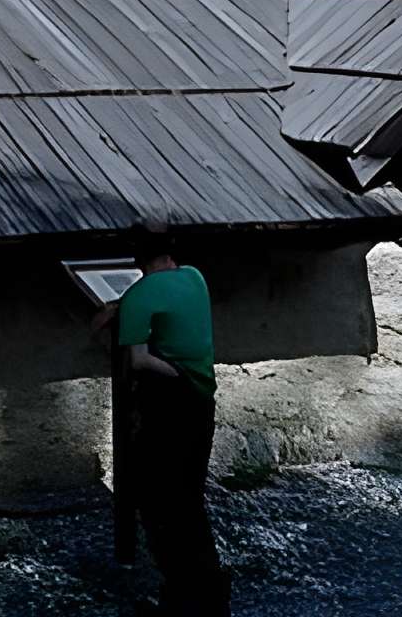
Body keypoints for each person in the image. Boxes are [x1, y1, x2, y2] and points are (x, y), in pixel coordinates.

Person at [107, 221, 228, 617]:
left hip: (169, 405)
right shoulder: (195, 278)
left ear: (137, 257)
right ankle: (210, 588)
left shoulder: (139, 295)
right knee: (189, 498)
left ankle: (180, 593)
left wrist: (172, 370)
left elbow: (138, 360)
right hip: (202, 400)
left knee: (159, 501)